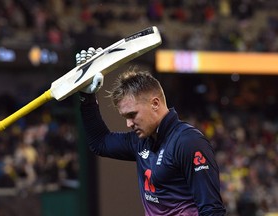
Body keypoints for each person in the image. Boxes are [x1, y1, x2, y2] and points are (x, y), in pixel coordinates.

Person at [77, 48, 226, 215]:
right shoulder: (141, 141)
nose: (128, 124)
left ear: (155, 104)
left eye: (132, 115)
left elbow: (212, 211)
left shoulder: (188, 142)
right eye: (125, 117)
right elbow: (100, 142)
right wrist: (87, 96)